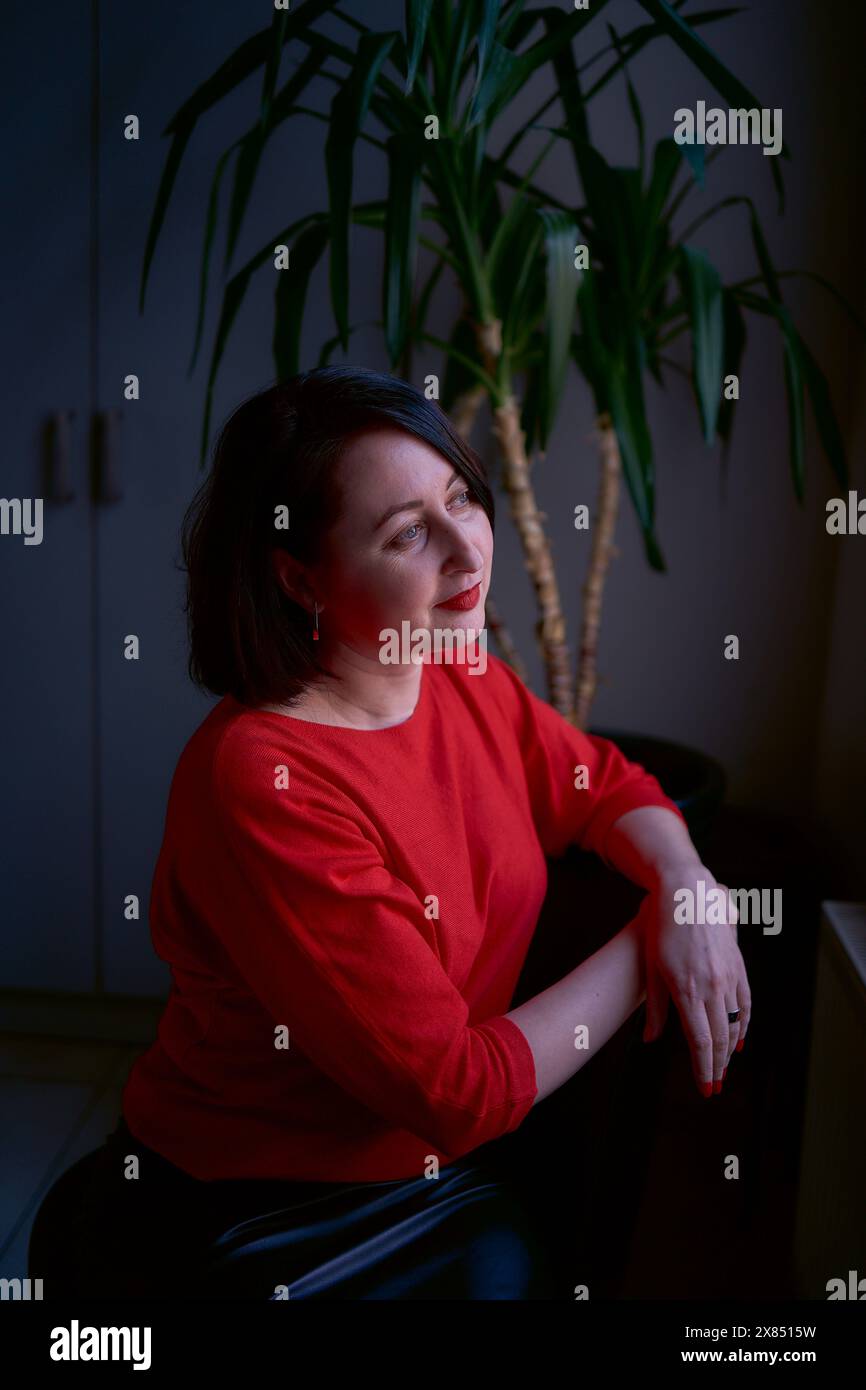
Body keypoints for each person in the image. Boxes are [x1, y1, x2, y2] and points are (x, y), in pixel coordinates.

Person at [74, 366, 751, 1300]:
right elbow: (457, 1093)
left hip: (430, 1160)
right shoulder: (261, 777)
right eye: (406, 535)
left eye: (461, 499)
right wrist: (658, 937)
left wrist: (684, 883)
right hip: (258, 1199)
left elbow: (605, 786)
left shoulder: (457, 672)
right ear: (299, 576)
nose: (469, 556)